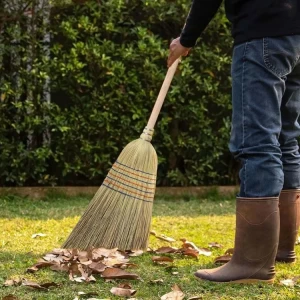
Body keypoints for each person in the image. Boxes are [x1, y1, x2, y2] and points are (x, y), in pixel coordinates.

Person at [168, 0, 300, 283]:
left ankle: (253, 262)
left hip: (262, 33)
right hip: (295, 37)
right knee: (286, 140)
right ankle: (280, 248)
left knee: (258, 142)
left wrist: (187, 39)